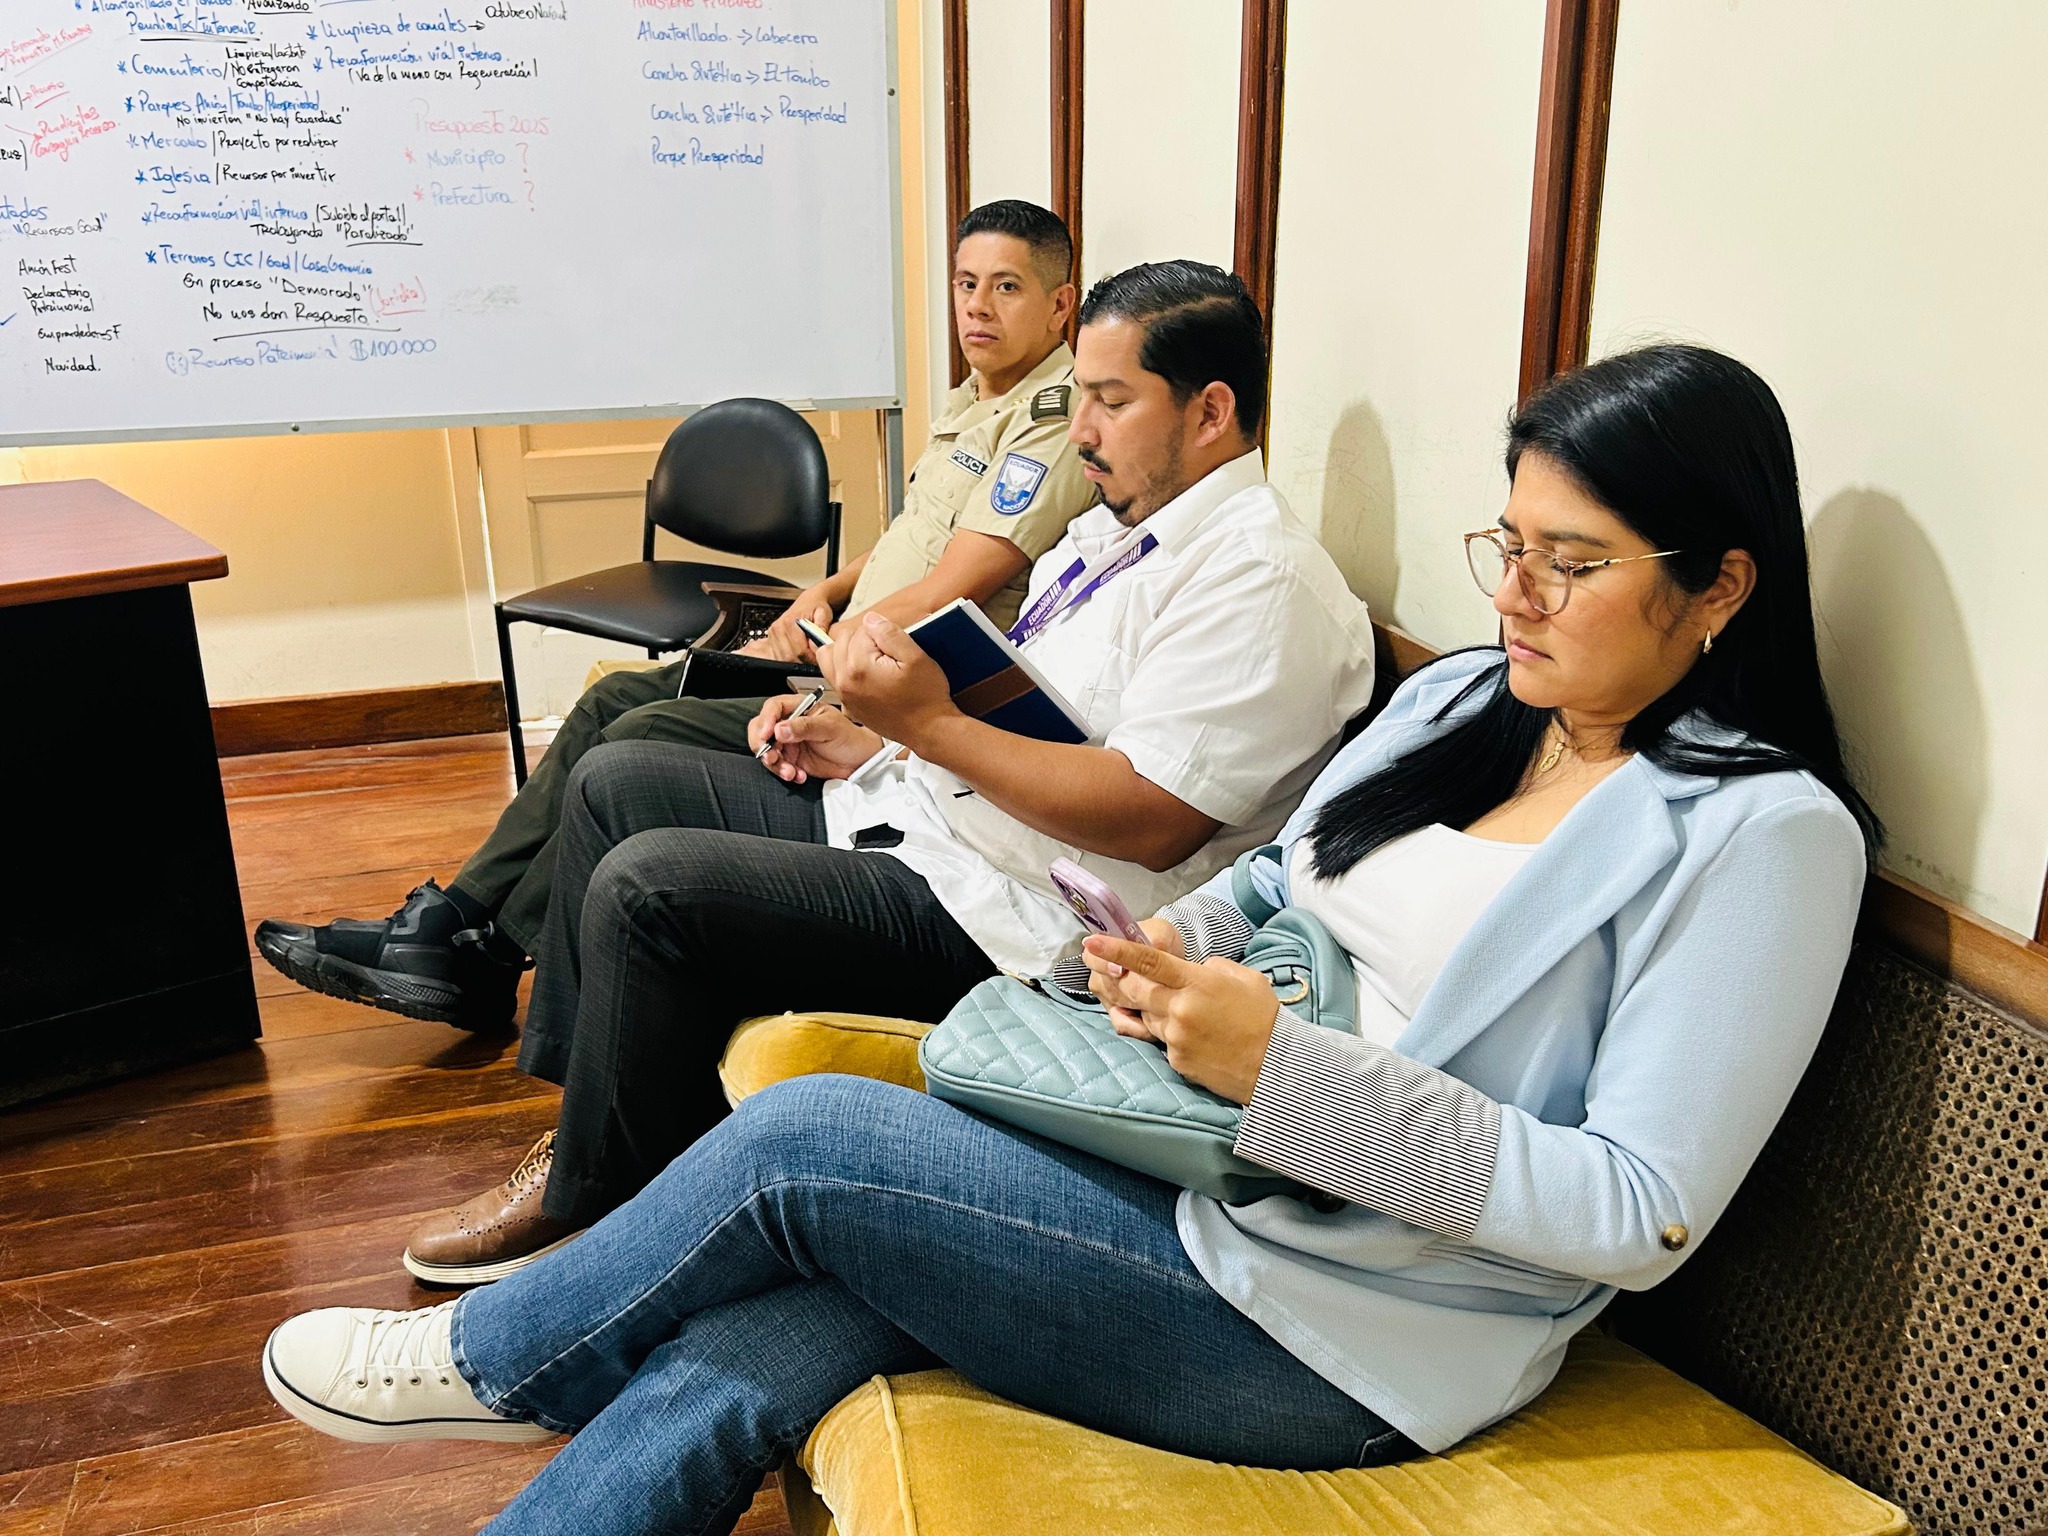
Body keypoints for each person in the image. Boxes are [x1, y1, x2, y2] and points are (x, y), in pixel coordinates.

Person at [261, 345, 1880, 1536]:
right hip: (1196, 1163)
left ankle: (498, 1358)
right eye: (1506, 546)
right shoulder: (1471, 699)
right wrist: (1148, 952)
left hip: (1349, 1325)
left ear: (1718, 587)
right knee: (782, 1329)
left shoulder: (1761, 835)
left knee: (811, 1143)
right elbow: (1280, 882)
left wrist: (1288, 1076)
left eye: (1571, 564)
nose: (1516, 594)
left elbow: (1639, 1209)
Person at [390, 260, 1378, 1284]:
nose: (1081, 428)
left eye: (1111, 401)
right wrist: (877, 740)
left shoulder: (1259, 580)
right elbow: (1028, 713)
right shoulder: (1117, 529)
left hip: (1017, 920)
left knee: (648, 890)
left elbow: (1151, 818)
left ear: (1211, 411)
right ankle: (595, 1135)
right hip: (935, 821)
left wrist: (927, 727)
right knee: (615, 780)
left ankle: (592, 1203)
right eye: (1081, 394)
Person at [251, 199, 1098, 1031]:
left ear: (1061, 304)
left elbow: (958, 581)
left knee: (637, 732)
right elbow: (913, 537)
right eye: (965, 283)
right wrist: (827, 591)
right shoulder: (975, 398)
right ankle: (452, 924)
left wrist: (826, 639)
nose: (977, 307)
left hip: (881, 687)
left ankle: (484, 953)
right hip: (839, 652)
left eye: (1007, 287)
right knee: (608, 701)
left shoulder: (1052, 420)